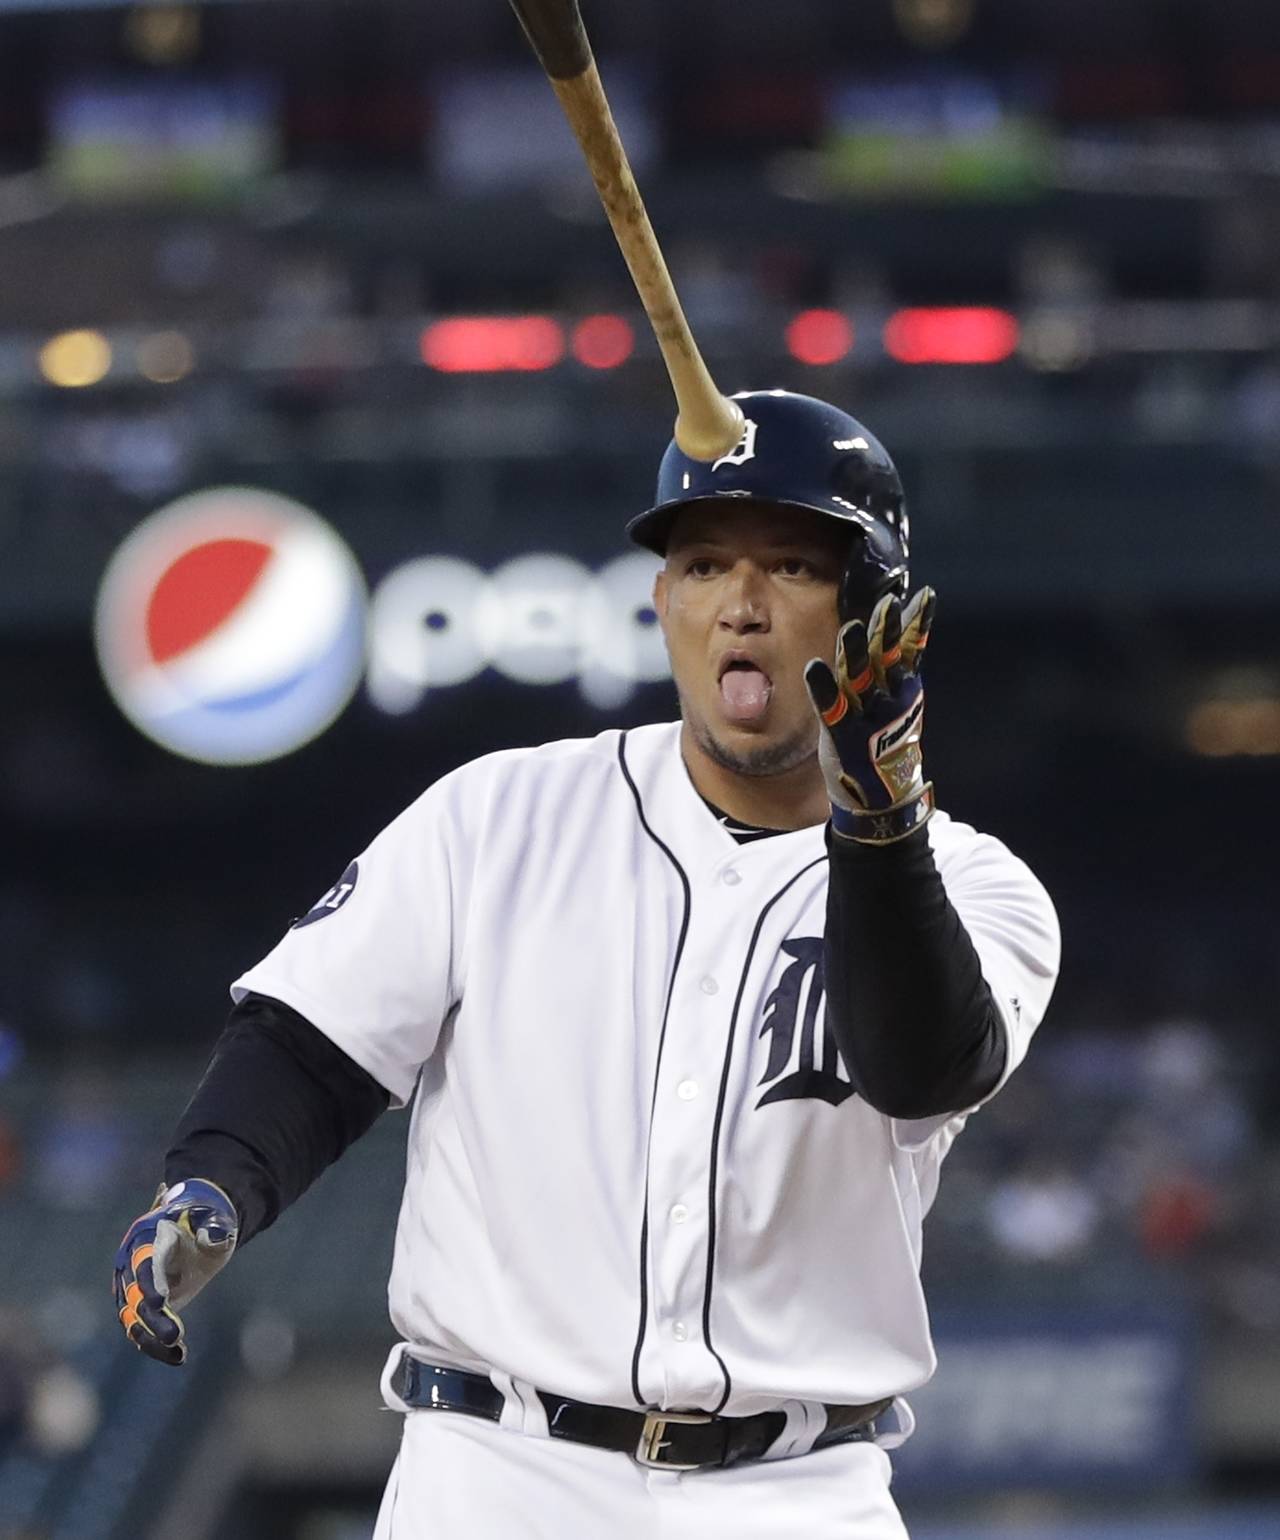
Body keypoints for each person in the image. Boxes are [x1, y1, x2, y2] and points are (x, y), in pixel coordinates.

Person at [113, 390, 1060, 1538]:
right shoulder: (497, 815)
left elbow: (922, 1065)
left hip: (798, 1490)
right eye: (702, 566)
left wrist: (878, 820)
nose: (741, 605)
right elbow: (312, 1050)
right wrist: (211, 1182)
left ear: (878, 613)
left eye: (791, 566)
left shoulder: (976, 886)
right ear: (659, 603)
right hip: (496, 1474)